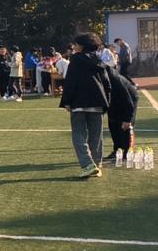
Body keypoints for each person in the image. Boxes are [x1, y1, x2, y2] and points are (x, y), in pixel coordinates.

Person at [60, 33, 112, 179]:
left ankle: (88, 164)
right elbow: (107, 83)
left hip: (79, 102)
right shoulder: (99, 60)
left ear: (82, 46)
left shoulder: (75, 59)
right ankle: (96, 164)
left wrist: (67, 101)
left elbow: (71, 81)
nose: (74, 47)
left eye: (76, 44)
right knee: (96, 136)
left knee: (79, 135)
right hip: (97, 102)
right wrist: (106, 102)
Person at [105, 67, 139, 163]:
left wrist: (128, 120)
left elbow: (128, 102)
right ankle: (117, 150)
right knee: (112, 124)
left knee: (125, 126)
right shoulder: (104, 78)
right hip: (115, 100)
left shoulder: (116, 81)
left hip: (129, 99)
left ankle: (128, 152)